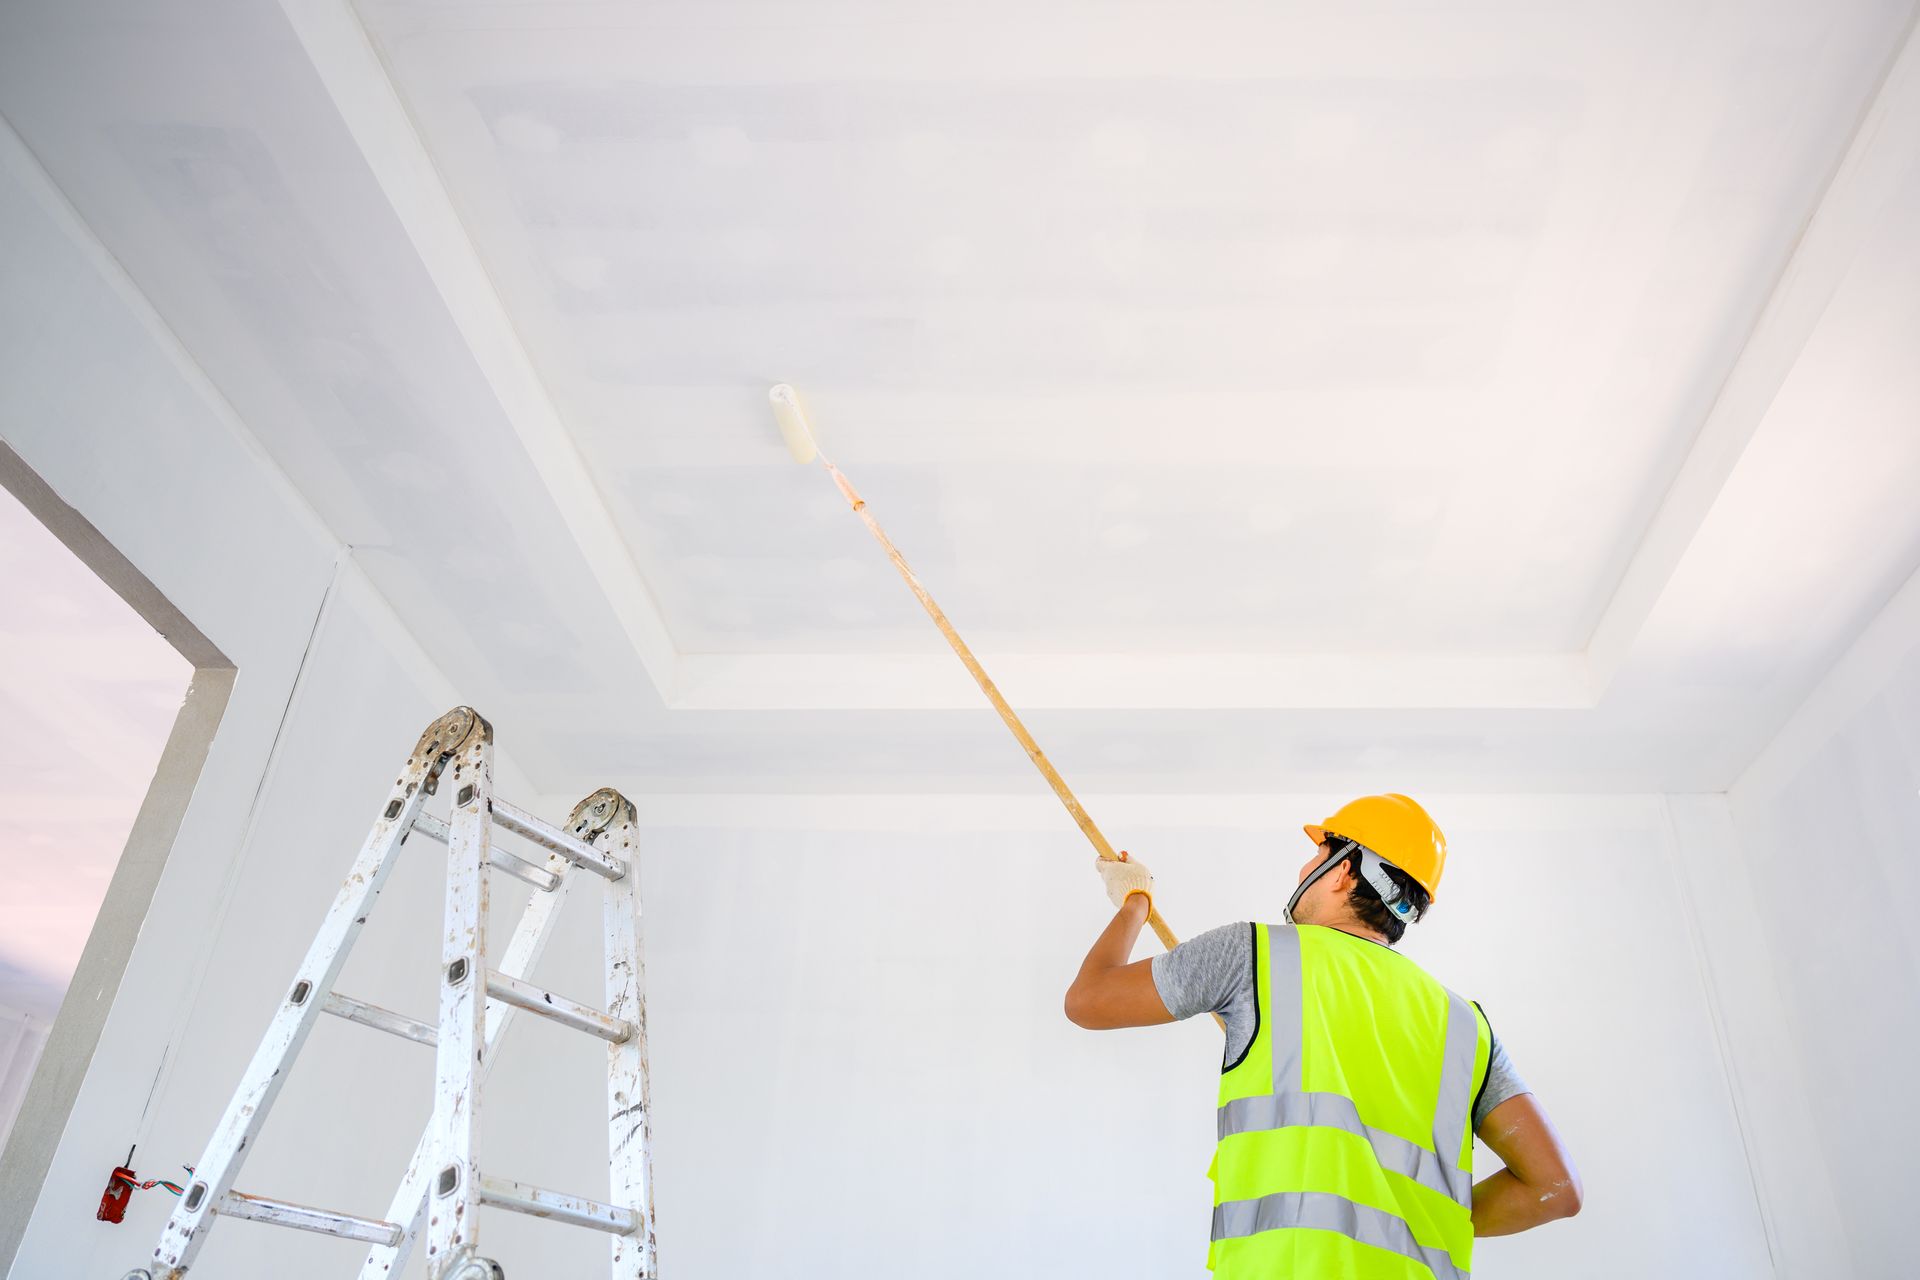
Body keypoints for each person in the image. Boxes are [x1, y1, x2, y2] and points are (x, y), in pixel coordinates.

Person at [1064, 794, 1580, 1278]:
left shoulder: (1255, 955)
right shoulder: (1466, 1024)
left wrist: (1136, 902)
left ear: (1345, 872)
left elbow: (1089, 1000)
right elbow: (1555, 1188)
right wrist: (1417, 1229)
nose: (1305, 869)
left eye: (1317, 855)